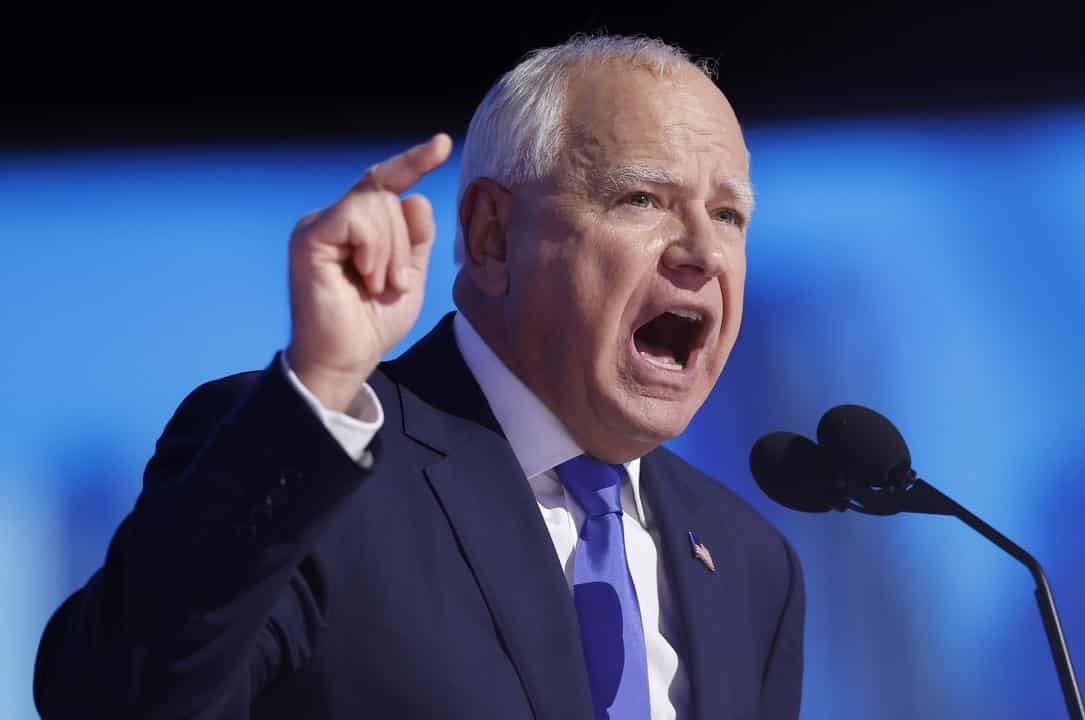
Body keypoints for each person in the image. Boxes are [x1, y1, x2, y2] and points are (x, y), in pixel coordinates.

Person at [33, 34, 805, 719]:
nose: (703, 251)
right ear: (493, 236)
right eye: (642, 198)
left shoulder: (750, 564)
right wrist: (322, 383)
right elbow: (112, 698)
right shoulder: (307, 472)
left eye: (730, 215)